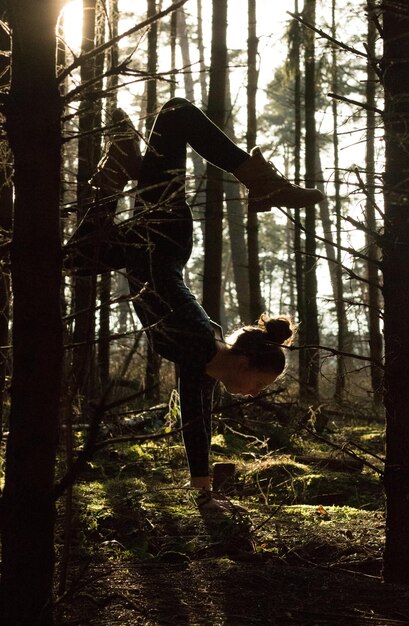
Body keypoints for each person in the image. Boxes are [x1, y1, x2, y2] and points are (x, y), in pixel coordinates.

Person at [80, 97, 323, 512]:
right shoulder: (198, 340)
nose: (252, 394)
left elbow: (195, 421)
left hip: (147, 247)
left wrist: (204, 492)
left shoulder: (204, 362)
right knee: (176, 114)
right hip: (162, 236)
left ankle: (121, 168)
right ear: (245, 363)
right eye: (260, 385)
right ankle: (258, 178)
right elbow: (164, 293)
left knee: (70, 261)